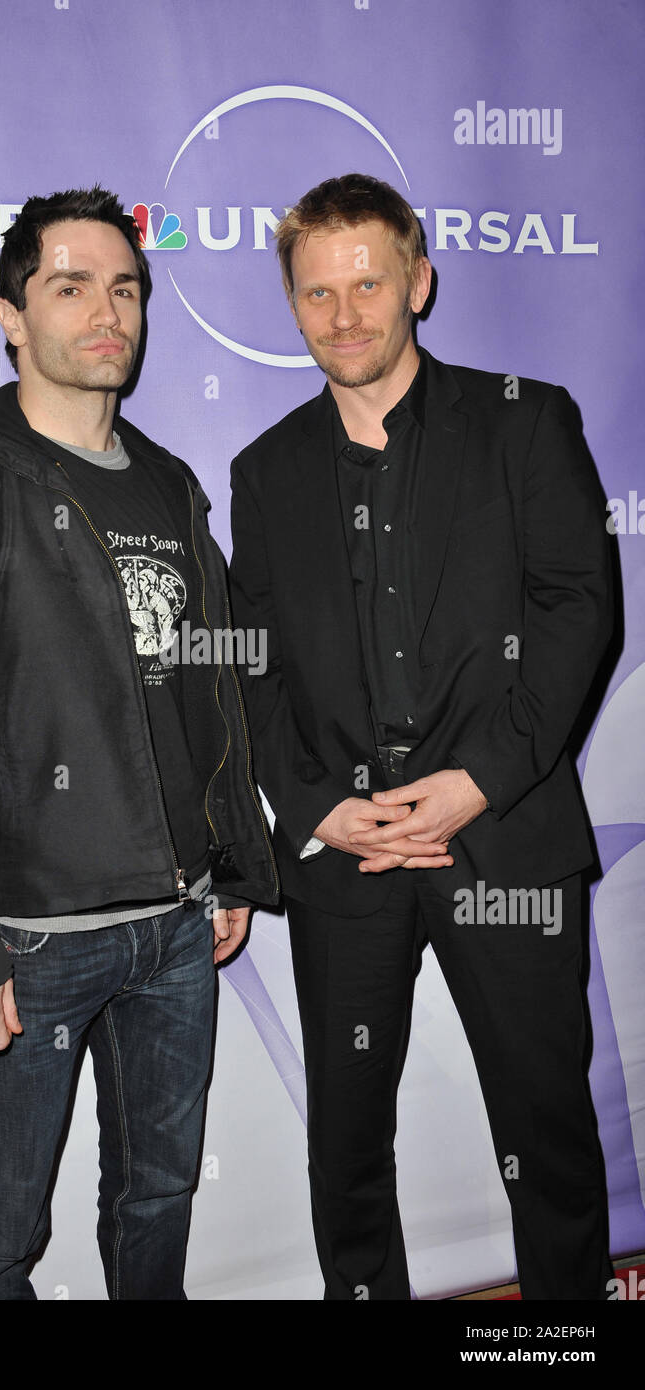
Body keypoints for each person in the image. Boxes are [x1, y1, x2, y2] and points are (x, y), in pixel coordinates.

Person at [0, 186, 278, 1301]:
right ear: (11, 314)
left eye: (126, 288)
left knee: (159, 1199)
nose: (108, 312)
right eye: (72, 286)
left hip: (179, 926)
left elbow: (212, 693)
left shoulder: (170, 484)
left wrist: (227, 861)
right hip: (32, 940)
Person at [228, 173, 613, 1300]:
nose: (344, 315)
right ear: (292, 303)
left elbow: (579, 610)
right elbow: (254, 665)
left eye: (368, 284)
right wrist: (312, 808)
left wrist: (476, 782)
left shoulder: (525, 420)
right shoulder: (265, 471)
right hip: (346, 862)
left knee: (546, 1139)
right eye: (316, 293)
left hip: (506, 841)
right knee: (345, 1156)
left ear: (419, 283)